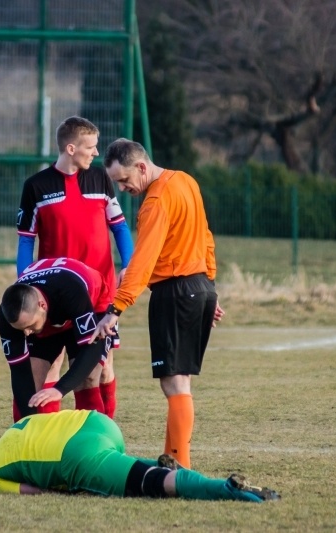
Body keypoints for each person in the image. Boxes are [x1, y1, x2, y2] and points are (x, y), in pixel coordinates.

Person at [90, 139, 223, 470]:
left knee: (173, 381)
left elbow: (144, 259)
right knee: (181, 381)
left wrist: (116, 308)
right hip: (199, 288)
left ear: (141, 166)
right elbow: (206, 237)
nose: (123, 189)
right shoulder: (185, 181)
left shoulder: (155, 201)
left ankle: (180, 466)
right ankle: (171, 463)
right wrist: (210, 286)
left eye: (124, 180)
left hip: (175, 292)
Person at [15, 116, 133, 419]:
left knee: (99, 369)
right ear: (71, 148)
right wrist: (25, 285)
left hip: (99, 294)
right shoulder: (36, 187)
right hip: (53, 296)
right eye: (90, 147)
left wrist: (129, 266)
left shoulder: (100, 179)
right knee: (49, 367)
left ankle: (103, 437)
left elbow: (119, 227)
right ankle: (45, 438)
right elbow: (26, 240)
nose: (96, 153)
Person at [0, 409, 279, 502]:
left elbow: (35, 492)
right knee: (126, 467)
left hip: (77, 456)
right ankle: (158, 465)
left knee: (149, 483)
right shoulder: (12, 430)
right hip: (98, 423)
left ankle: (225, 489)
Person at [0, 257, 115, 420]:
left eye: (29, 326)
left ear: (42, 305)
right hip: (51, 313)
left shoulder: (71, 291)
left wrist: (60, 389)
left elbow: (91, 350)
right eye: (21, 329)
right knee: (32, 379)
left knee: (88, 378)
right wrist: (27, 423)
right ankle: (36, 433)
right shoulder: (8, 316)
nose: (27, 333)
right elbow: (19, 373)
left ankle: (98, 433)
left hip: (93, 305)